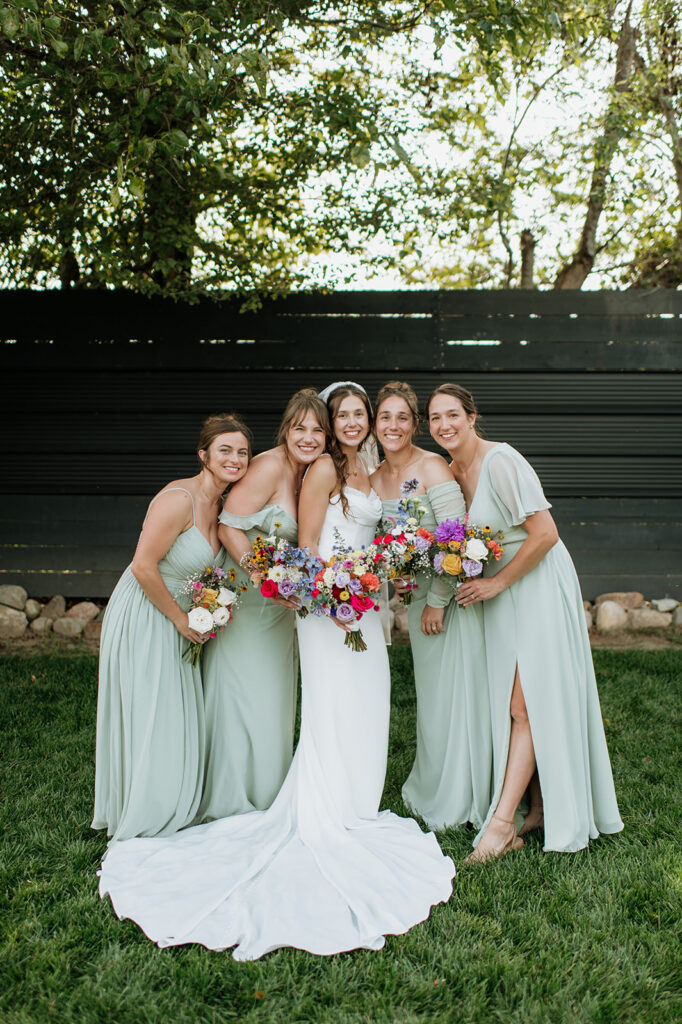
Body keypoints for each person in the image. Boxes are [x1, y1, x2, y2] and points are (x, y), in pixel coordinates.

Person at [97, 381, 454, 959]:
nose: (341, 426)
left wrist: (381, 573)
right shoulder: (308, 473)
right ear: (297, 427)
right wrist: (304, 587)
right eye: (330, 419)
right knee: (309, 701)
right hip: (318, 604)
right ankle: (300, 805)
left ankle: (347, 802)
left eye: (352, 416)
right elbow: (293, 541)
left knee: (350, 701)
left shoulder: (354, 468)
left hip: (351, 602)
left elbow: (363, 533)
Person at [427, 383, 623, 858]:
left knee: (524, 704)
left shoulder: (502, 461)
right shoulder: (450, 472)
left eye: (453, 415)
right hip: (500, 595)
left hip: (533, 584)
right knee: (518, 703)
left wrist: (496, 583)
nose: (444, 425)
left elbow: (545, 533)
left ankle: (501, 826)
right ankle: (537, 810)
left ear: (472, 417)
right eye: (434, 418)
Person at [92, 415, 251, 842]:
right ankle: (144, 809)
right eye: (225, 450)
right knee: (151, 713)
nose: (235, 459)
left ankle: (171, 801)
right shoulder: (178, 499)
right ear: (204, 455)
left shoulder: (222, 505)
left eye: (242, 452)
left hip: (180, 620)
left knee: (175, 713)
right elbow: (143, 566)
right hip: (147, 613)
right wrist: (180, 619)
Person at [197, 389, 329, 821]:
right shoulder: (269, 466)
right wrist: (260, 574)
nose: (308, 437)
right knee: (242, 691)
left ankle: (267, 792)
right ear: (286, 428)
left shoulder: (307, 473)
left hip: (277, 605)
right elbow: (229, 525)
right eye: (300, 427)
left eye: (317, 430)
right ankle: (233, 794)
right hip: (249, 600)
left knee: (272, 695)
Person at [370, 381, 492, 830]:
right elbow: (391, 543)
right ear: (374, 423)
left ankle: (464, 794)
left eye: (403, 417)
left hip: (449, 599)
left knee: (458, 693)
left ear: (414, 423)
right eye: (386, 417)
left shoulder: (433, 466)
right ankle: (437, 783)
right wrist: (399, 578)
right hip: (417, 597)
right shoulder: (374, 476)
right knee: (434, 698)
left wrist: (438, 601)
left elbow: (456, 537)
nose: (394, 426)